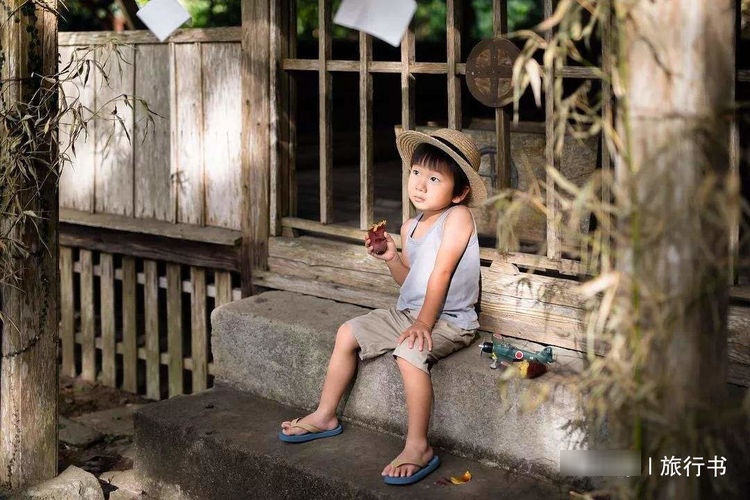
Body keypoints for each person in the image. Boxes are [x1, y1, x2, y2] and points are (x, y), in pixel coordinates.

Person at [279, 128, 487, 485]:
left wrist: (423, 323)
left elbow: (442, 273)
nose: (419, 184)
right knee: (347, 333)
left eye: (434, 178)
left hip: (451, 321)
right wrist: (392, 258)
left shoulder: (458, 218)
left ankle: (418, 446)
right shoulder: (410, 227)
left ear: (460, 192)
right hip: (411, 314)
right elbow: (413, 284)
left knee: (409, 353)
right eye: (416, 173)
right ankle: (325, 415)